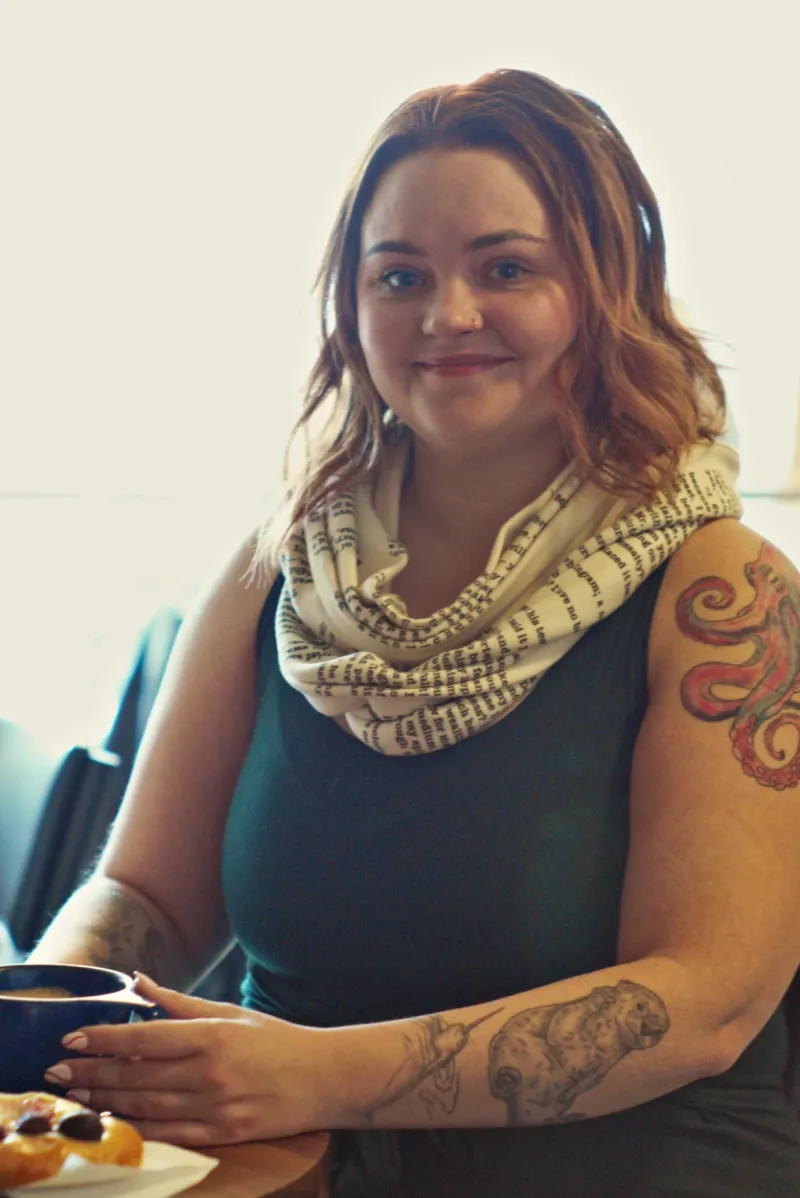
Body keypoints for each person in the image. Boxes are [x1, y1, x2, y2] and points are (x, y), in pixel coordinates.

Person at [28, 68, 800, 1196]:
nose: (446, 315)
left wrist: (310, 1077)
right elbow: (145, 897)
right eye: (398, 275)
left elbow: (703, 1003)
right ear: (349, 308)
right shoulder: (274, 568)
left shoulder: (720, 591)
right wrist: (48, 1016)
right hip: (280, 1169)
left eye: (505, 268)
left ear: (604, 289)